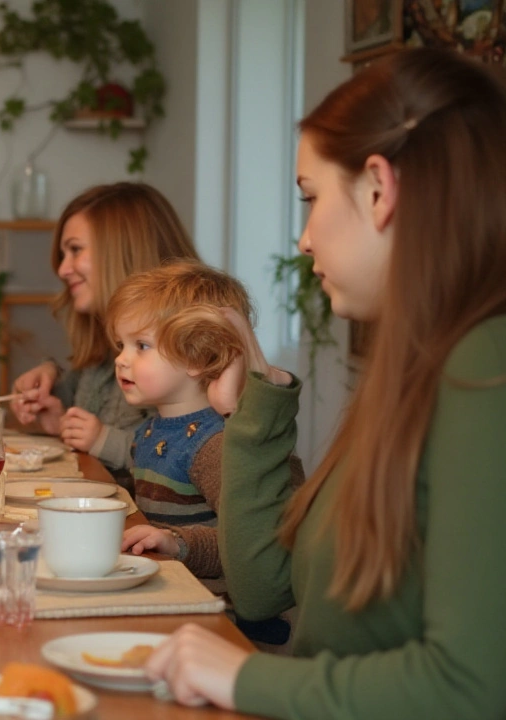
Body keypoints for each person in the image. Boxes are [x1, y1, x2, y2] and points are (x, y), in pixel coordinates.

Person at [146, 48, 506, 718]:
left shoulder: (483, 368)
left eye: (311, 198)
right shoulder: (418, 365)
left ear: (380, 189)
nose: (305, 239)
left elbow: (473, 687)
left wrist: (245, 679)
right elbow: (262, 588)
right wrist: (252, 407)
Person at [10, 183, 199, 470]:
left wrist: (103, 440)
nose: (62, 270)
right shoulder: (103, 343)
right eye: (64, 254)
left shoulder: (185, 344)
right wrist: (53, 397)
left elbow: (182, 454)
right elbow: (87, 403)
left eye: (75, 250)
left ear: (121, 250)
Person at [107, 262, 250, 581]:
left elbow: (244, 547)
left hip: (212, 610)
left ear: (198, 357)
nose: (120, 359)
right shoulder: (149, 430)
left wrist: (175, 543)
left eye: (141, 346)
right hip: (162, 583)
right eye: (121, 345)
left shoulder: (212, 444)